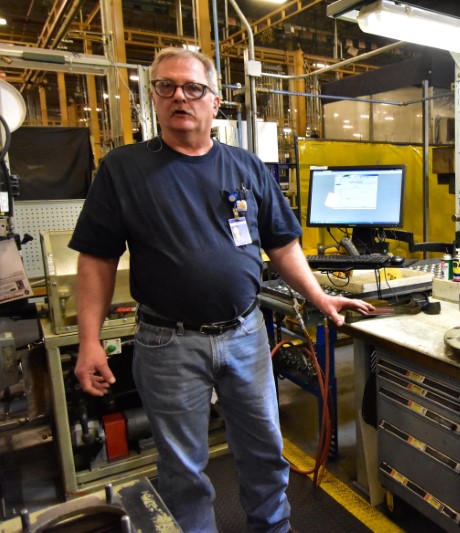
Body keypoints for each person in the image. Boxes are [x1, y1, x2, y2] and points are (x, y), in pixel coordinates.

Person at [69, 47, 374, 533]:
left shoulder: (247, 167)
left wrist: (319, 296)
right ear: (153, 98)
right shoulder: (123, 170)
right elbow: (97, 260)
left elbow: (282, 245)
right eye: (166, 86)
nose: (179, 97)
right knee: (183, 470)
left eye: (193, 88)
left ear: (214, 102)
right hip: (167, 341)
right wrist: (90, 341)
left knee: (264, 451)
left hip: (245, 334)